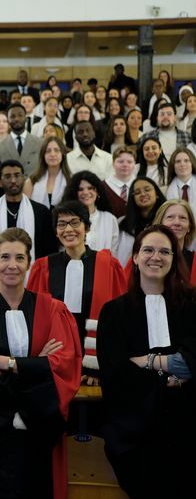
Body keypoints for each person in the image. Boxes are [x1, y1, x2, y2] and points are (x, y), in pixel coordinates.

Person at [0, 228, 82, 499]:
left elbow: (62, 364)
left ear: (29, 263)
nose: (12, 265)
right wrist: (36, 363)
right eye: (5, 257)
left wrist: (8, 363)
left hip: (39, 425)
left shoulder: (52, 309)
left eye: (19, 258)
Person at [97, 225, 196, 499]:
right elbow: (115, 372)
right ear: (136, 257)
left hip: (187, 425)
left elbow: (192, 359)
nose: (156, 257)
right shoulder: (114, 312)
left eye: (165, 251)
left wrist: (149, 361)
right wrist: (172, 372)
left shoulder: (192, 305)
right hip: (134, 430)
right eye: (148, 250)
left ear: (174, 259)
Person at [27, 201, 126, 379]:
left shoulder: (108, 266)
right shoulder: (43, 267)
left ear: (86, 227)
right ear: (56, 231)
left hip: (98, 362)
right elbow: (35, 320)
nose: (68, 229)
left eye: (74, 222)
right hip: (56, 363)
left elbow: (118, 319)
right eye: (61, 224)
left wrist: (99, 367)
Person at [0, 159, 56, 261]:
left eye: (17, 175)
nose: (13, 180)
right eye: (8, 176)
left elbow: (49, 249)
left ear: (23, 178)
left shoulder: (41, 212)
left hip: (34, 268)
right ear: (0, 183)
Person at [62, 170, 119, 255]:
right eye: (80, 189)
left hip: (103, 263)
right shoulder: (66, 219)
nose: (85, 192)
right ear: (74, 193)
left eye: (90, 188)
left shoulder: (109, 219)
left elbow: (114, 251)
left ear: (97, 191)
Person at [117, 177, 166, 266]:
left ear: (157, 193)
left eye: (147, 190)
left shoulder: (166, 221)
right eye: (137, 192)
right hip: (127, 271)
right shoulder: (121, 223)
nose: (143, 194)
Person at [0, 104, 43, 178]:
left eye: (20, 115)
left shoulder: (40, 143)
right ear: (8, 120)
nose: (16, 119)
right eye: (12, 116)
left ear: (26, 118)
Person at [153, 199, 196, 282]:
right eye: (170, 217)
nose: (177, 223)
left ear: (189, 227)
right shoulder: (145, 258)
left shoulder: (194, 261)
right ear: (159, 224)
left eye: (182, 218)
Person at [24, 136, 71, 209]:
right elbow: (26, 208)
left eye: (56, 150)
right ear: (43, 155)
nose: (52, 154)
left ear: (62, 154)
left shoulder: (71, 180)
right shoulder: (32, 181)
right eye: (48, 151)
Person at [103, 146, 137, 218]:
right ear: (113, 163)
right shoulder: (103, 186)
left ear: (135, 164)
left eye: (129, 162)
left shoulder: (140, 185)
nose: (125, 165)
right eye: (120, 161)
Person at [165, 147, 196, 214]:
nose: (182, 164)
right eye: (178, 161)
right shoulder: (165, 191)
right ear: (173, 166)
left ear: (192, 163)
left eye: (186, 160)